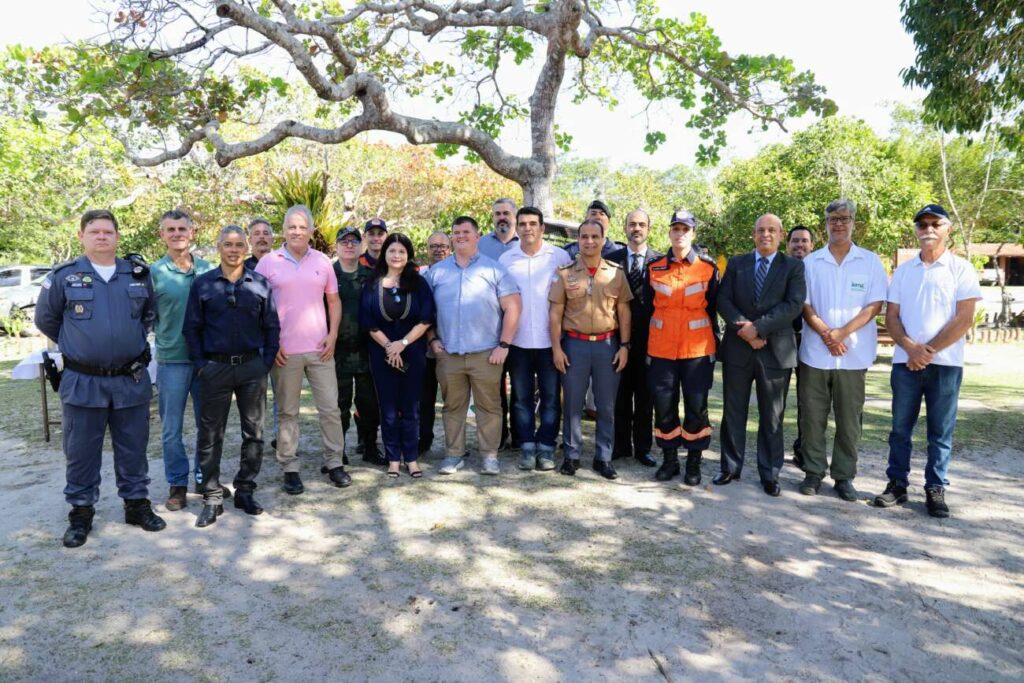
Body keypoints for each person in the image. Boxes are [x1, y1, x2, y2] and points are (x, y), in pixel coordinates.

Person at [35, 209, 166, 548]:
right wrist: (81, 345)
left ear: (117, 236)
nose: (102, 236)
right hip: (83, 380)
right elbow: (47, 319)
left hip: (129, 378)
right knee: (81, 449)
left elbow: (148, 316)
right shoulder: (64, 276)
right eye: (94, 231)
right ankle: (81, 512)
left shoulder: (137, 275)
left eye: (108, 231)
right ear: (82, 236)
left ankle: (136, 504)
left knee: (133, 446)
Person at [873, 204, 982, 518]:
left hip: (945, 364)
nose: (928, 229)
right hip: (904, 363)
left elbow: (964, 319)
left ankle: (935, 488)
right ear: (916, 230)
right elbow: (891, 316)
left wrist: (927, 351)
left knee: (940, 431)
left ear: (947, 229)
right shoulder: (905, 271)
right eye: (922, 224)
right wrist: (910, 347)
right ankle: (897, 484)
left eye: (935, 223)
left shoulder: (961, 269)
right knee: (899, 429)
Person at [183, 226, 280, 527]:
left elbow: (272, 326)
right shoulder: (203, 285)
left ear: (246, 246)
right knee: (210, 434)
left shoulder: (261, 283)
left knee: (255, 433)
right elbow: (191, 328)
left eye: (239, 244)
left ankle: (245, 489)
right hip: (215, 368)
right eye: (228, 244)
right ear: (218, 247)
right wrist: (201, 365)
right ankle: (212, 496)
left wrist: (265, 362)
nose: (234, 250)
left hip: (252, 367)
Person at [255, 205, 352, 493]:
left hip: (320, 350)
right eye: (291, 227)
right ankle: (290, 467)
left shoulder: (323, 261)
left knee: (331, 410)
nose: (296, 232)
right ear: (283, 231)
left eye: (302, 227)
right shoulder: (268, 263)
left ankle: (334, 463)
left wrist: (333, 334)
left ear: (311, 230)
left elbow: (334, 302)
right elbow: (256, 308)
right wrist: (270, 344)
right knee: (287, 413)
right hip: (285, 352)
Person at [797, 200, 887, 500]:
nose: (838, 224)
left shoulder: (870, 261)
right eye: (833, 219)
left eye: (844, 218)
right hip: (815, 354)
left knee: (850, 421)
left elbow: (874, 304)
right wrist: (826, 333)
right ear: (825, 222)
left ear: (853, 222)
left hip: (853, 355)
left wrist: (841, 333)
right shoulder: (811, 262)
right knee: (812, 418)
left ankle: (844, 476)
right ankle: (813, 472)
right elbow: (804, 304)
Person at [423, 216, 521, 476]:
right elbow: (424, 313)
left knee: (489, 406)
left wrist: (504, 344)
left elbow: (513, 306)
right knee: (453, 407)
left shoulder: (494, 269)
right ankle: (454, 455)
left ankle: (489, 456)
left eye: (466, 232)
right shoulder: (437, 272)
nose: (460, 236)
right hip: (449, 354)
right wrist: (432, 340)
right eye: (456, 232)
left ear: (478, 236)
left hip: (486, 354)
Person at [717, 214, 806, 497]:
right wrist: (745, 329)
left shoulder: (793, 266)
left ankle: (770, 473)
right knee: (733, 412)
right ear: (753, 235)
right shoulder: (736, 263)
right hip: (738, 349)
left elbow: (793, 305)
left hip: (776, 352)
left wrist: (759, 329)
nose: (765, 234)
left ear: (780, 234)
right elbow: (723, 300)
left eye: (771, 230)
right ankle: (730, 467)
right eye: (760, 230)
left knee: (772, 416)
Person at [549, 218, 632, 480]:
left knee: (606, 406)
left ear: (603, 239)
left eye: (594, 237)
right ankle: (571, 455)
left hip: (608, 345)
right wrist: (556, 349)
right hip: (574, 344)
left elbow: (624, 311)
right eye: (584, 236)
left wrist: (625, 346)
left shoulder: (616, 273)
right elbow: (555, 314)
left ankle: (603, 457)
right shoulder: (565, 272)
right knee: (572, 403)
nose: (589, 241)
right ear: (579, 240)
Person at [645, 210, 720, 485]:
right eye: (675, 229)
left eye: (685, 230)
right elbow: (646, 304)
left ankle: (694, 463)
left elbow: (712, 308)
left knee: (696, 408)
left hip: (697, 352)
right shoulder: (653, 268)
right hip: (661, 350)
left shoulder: (708, 268)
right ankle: (669, 461)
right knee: (664, 407)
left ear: (693, 234)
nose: (680, 234)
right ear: (669, 233)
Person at [150, 209, 215, 511]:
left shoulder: (208, 270)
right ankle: (177, 484)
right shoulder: (154, 273)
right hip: (172, 360)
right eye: (170, 229)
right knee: (171, 428)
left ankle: (204, 479)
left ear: (192, 233)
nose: (177, 234)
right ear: (162, 235)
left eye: (182, 229)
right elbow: (147, 316)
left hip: (205, 361)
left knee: (208, 424)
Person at [499, 207, 572, 471]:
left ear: (542, 228)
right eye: (523, 224)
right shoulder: (506, 260)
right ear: (517, 228)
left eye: (533, 223)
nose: (528, 228)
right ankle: (527, 447)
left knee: (552, 398)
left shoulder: (560, 257)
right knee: (521, 398)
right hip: (518, 342)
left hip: (551, 342)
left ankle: (547, 448)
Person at [360, 234, 435, 477]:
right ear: (385, 254)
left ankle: (411, 458)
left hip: (412, 351)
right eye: (392, 250)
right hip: (381, 352)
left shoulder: (419, 283)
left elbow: (426, 318)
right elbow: (368, 320)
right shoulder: (372, 283)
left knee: (411, 408)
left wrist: (401, 344)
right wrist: (389, 347)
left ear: (408, 255)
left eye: (401, 251)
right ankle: (393, 458)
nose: (396, 255)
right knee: (389, 409)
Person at [607, 209, 663, 467]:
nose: (636, 228)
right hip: (617, 338)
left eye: (641, 224)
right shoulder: (611, 259)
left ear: (648, 229)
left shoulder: (660, 262)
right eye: (632, 224)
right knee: (619, 395)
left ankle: (643, 448)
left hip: (651, 340)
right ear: (624, 227)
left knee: (645, 396)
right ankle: (620, 446)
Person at [333, 227, 385, 466]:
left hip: (367, 351)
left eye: (355, 241)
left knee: (370, 404)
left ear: (362, 245)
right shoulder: (328, 274)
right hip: (336, 353)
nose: (350, 245)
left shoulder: (372, 276)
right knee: (338, 405)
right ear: (336, 246)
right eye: (344, 241)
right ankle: (337, 450)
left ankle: (370, 446)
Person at [478, 198, 522, 450]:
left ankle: (519, 435)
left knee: (520, 387)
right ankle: (499, 436)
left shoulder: (526, 243)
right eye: (497, 214)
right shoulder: (481, 244)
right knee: (494, 389)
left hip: (521, 331)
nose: (502, 217)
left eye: (506, 213)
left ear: (514, 216)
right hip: (489, 330)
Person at [418, 230, 451, 454]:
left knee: (453, 401)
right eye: (433, 246)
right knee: (425, 399)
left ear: (450, 249)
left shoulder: (458, 274)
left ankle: (454, 445)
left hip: (452, 348)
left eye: (443, 246)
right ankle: (424, 440)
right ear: (427, 250)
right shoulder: (419, 277)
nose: (438, 249)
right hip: (424, 349)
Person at [785, 225, 814, 470]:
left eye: (804, 241)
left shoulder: (818, 269)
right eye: (795, 241)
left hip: (810, 340)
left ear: (812, 245)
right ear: (788, 245)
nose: (799, 245)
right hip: (784, 340)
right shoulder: (781, 268)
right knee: (777, 398)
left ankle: (804, 449)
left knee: (808, 399)